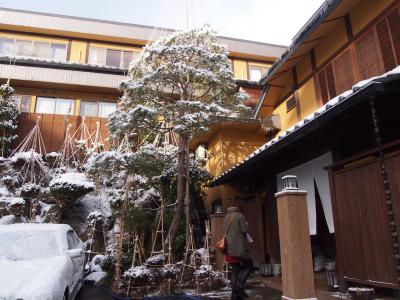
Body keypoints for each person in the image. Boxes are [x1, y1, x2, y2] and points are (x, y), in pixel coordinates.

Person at [223, 203, 253, 300]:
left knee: (234, 270)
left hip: (229, 249)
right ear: (237, 209)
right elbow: (244, 230)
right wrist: (247, 225)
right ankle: (240, 285)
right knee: (249, 266)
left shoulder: (226, 217)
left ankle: (234, 294)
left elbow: (224, 231)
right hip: (240, 248)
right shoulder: (240, 216)